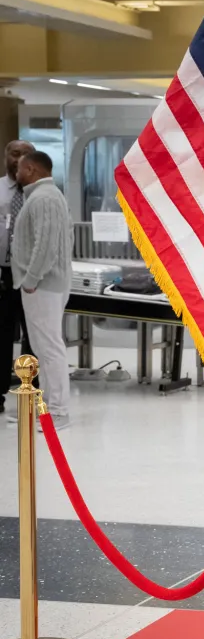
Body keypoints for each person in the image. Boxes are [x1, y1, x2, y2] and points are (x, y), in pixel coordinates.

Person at [9, 150, 72, 430]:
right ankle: (49, 409)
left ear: (32, 169)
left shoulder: (44, 198)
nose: (16, 173)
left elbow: (44, 244)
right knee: (44, 348)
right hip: (42, 285)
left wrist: (31, 279)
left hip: (43, 285)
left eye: (20, 168)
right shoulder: (42, 196)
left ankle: (58, 412)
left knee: (49, 348)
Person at [1, 139, 35, 409]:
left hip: (31, 275)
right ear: (6, 156)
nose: (19, 159)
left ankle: (30, 389)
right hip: (2, 272)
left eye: (26, 155)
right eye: (15, 154)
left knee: (33, 335)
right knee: (1, 334)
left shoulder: (40, 193)